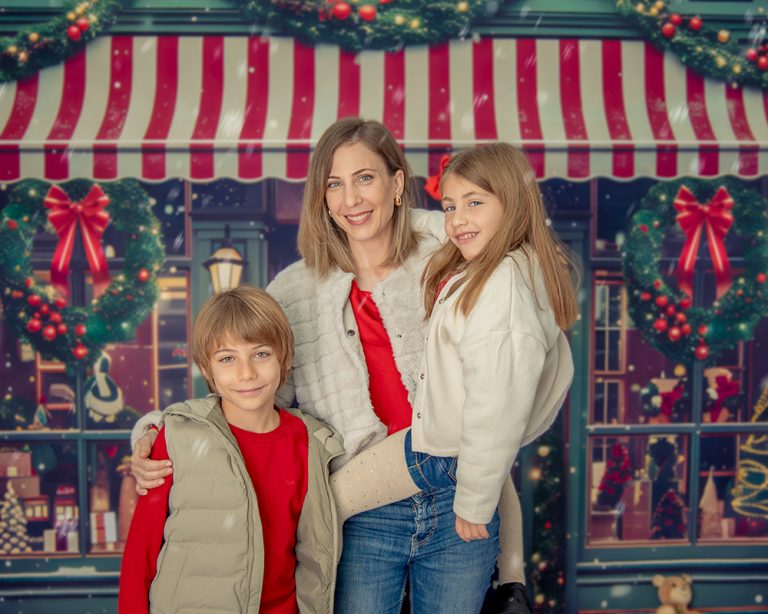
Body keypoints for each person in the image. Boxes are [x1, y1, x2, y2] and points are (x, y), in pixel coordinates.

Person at [131, 118, 530, 613]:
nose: (351, 199)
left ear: (397, 183)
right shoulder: (295, 292)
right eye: (334, 184)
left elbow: (508, 359)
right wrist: (162, 432)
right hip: (359, 512)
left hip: (459, 499)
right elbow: (252, 397)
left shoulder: (452, 260)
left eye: (364, 178)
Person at [329, 142, 577, 610]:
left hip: (437, 455)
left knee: (325, 505)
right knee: (326, 508)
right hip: (442, 449)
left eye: (474, 203)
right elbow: (433, 226)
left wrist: (474, 503)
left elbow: (496, 408)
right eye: (449, 206)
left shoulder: (502, 289)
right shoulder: (492, 266)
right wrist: (382, 213)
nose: (458, 219)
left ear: (513, 204)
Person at [119, 286, 343, 614]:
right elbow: (141, 551)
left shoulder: (310, 443)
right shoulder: (175, 437)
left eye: (261, 354)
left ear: (285, 358)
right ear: (206, 369)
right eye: (227, 358)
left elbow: (313, 556)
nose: (246, 373)